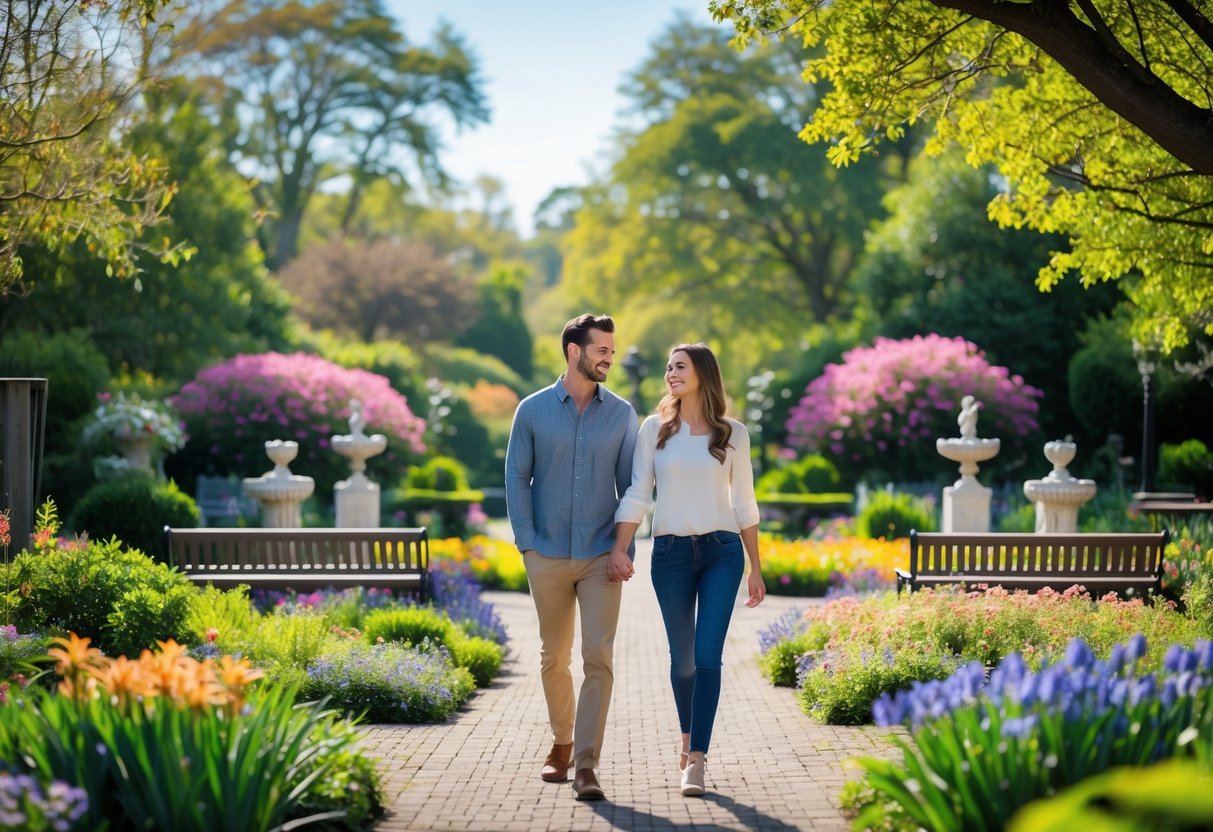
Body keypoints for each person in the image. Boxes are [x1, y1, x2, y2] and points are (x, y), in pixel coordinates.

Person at [609, 342, 765, 797]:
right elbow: (638, 493)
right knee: (683, 663)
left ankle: (696, 758)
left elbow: (745, 504)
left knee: (708, 657)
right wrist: (621, 548)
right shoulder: (654, 429)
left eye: (680, 366)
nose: (670, 374)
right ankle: (685, 735)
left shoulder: (733, 433)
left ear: (702, 373)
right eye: (668, 367)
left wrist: (756, 568)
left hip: (722, 553)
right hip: (671, 555)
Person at [505, 313, 639, 801]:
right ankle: (561, 742)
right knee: (553, 658)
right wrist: (526, 541)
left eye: (611, 349)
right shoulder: (532, 410)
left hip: (602, 555)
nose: (609, 357)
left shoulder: (622, 414)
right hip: (546, 551)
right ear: (573, 351)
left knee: (597, 657)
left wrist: (624, 547)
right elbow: (517, 477)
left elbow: (632, 487)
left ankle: (586, 764)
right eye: (601, 348)